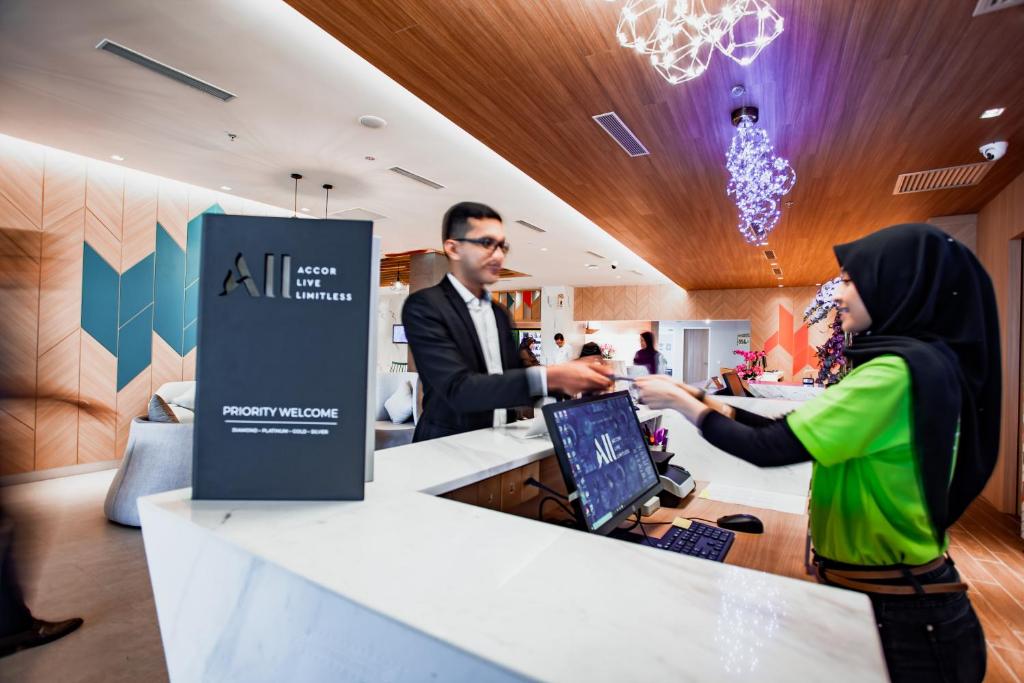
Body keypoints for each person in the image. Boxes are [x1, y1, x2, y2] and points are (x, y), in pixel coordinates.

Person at [636, 224, 996, 683]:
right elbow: (784, 431)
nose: (837, 296)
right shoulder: (918, 364)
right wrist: (703, 400)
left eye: (848, 280)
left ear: (894, 286)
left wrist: (679, 404)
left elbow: (769, 448)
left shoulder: (893, 374)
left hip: (905, 618)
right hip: (899, 602)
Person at [402, 202, 612, 442]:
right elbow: (459, 389)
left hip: (503, 445)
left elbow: (514, 380)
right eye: (486, 243)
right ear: (453, 248)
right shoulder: (425, 306)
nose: (499, 255)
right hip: (447, 448)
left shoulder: (500, 313)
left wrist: (574, 383)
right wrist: (552, 376)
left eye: (502, 246)